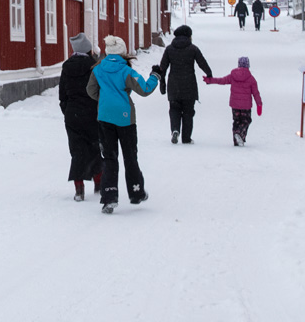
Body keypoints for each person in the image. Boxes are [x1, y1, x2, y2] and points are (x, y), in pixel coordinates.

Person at [87, 35, 158, 214]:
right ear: (122, 52)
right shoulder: (126, 70)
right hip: (125, 119)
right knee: (130, 156)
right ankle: (136, 192)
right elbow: (145, 89)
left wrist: (104, 101)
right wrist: (155, 76)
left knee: (109, 158)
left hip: (104, 118)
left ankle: (109, 197)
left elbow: (91, 90)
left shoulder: (98, 69)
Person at [58, 33, 102, 201]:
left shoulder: (66, 67)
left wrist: (68, 110)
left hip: (73, 115)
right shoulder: (94, 66)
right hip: (93, 114)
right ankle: (98, 182)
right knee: (95, 148)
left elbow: (63, 95)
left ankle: (79, 189)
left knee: (77, 151)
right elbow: (100, 91)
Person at [153, 24, 212, 144]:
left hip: (174, 85)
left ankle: (175, 130)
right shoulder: (193, 48)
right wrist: (209, 74)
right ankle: (186, 138)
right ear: (188, 36)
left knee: (174, 109)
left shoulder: (169, 49)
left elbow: (162, 68)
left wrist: (162, 83)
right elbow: (202, 62)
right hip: (189, 85)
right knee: (188, 112)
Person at [204, 56, 263, 146]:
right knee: (246, 121)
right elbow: (256, 93)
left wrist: (210, 80)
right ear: (248, 66)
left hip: (234, 105)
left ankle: (237, 140)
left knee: (236, 121)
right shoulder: (251, 79)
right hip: (245, 106)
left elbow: (221, 80)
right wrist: (259, 104)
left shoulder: (233, 76)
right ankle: (239, 134)